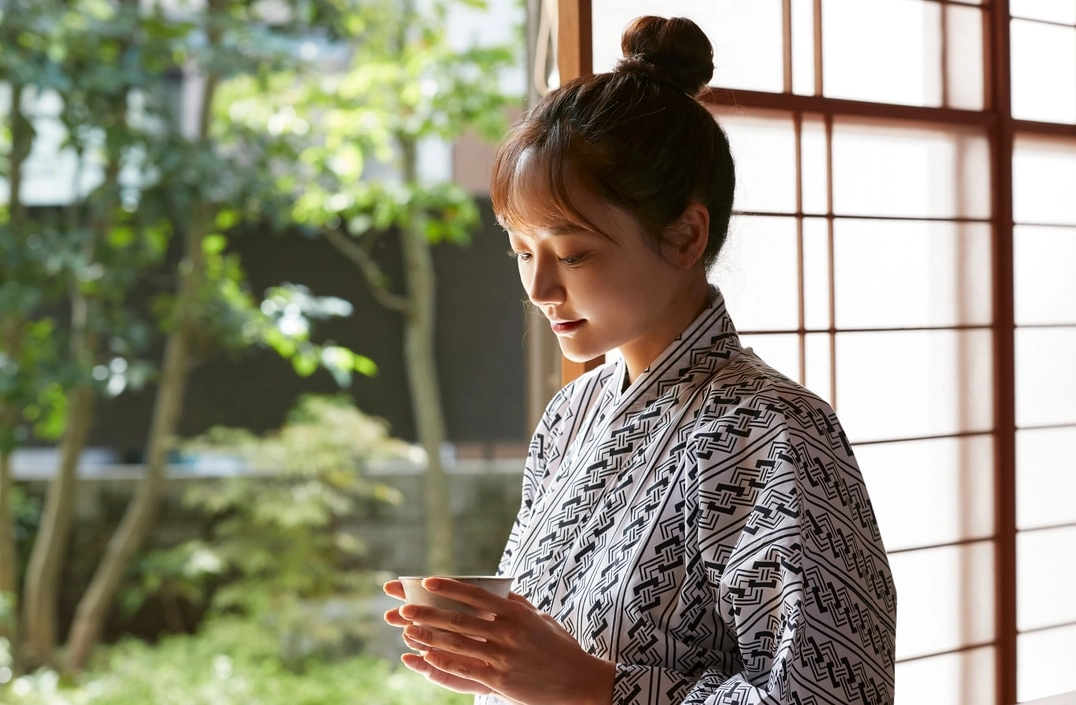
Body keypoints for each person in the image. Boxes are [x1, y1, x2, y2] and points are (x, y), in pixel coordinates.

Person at [383, 15, 896, 705]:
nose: (539, 289)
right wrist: (492, 652)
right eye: (521, 252)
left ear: (686, 234)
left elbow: (836, 697)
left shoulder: (774, 432)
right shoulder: (571, 414)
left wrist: (593, 686)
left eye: (572, 254)